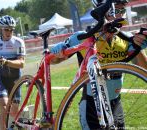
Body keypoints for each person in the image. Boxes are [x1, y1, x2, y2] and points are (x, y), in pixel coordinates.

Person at [50, 0, 147, 129]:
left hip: (115, 102)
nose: (120, 16)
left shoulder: (127, 38)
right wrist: (58, 54)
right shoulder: (84, 37)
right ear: (103, 11)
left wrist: (138, 47)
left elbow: (144, 70)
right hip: (91, 103)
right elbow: (54, 61)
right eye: (116, 11)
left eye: (122, 10)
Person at [0, 15, 26, 130]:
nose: (9, 32)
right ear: (1, 29)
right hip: (2, 78)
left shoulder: (18, 42)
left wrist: (7, 61)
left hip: (15, 79)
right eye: (6, 29)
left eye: (11, 29)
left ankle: (18, 126)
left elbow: (22, 63)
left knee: (14, 112)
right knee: (3, 107)